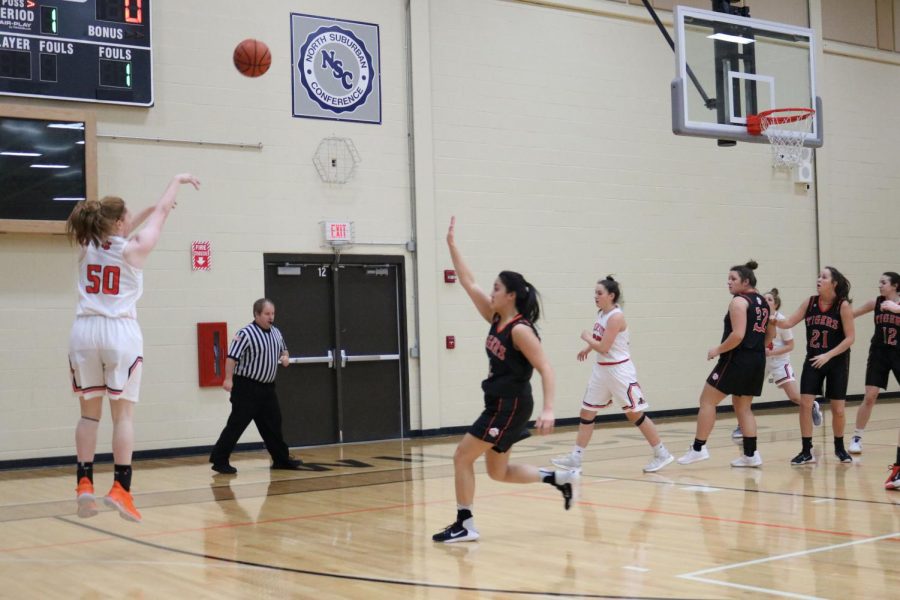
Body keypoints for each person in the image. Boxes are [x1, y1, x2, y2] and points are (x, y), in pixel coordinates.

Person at [432, 217, 576, 544]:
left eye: (497, 287)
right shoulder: (496, 318)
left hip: (509, 406)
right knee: (498, 472)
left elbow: (546, 368)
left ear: (510, 295)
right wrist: (452, 246)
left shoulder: (520, 330)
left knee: (461, 456)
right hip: (499, 404)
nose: (491, 291)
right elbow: (468, 282)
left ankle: (465, 523)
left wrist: (549, 409)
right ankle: (558, 478)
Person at [67, 173, 201, 522]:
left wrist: (151, 207)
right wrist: (176, 181)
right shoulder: (133, 249)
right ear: (120, 222)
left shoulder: (87, 245)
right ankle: (121, 488)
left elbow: (139, 217)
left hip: (84, 331)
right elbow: (160, 215)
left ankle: (84, 484)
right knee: (122, 415)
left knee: (87, 415)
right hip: (119, 331)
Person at [551, 276, 672, 473]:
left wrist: (587, 338)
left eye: (599, 293)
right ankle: (576, 458)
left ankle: (661, 453)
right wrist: (588, 348)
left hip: (619, 370)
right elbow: (601, 340)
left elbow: (605, 347)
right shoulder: (602, 313)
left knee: (635, 414)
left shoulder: (616, 316)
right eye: (595, 293)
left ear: (611, 295)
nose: (595, 297)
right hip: (602, 370)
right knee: (587, 412)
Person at [677, 261, 774, 468]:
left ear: (745, 281)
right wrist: (755, 348)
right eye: (728, 278)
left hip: (736, 359)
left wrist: (717, 349)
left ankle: (698, 448)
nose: (728, 282)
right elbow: (770, 334)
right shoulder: (764, 302)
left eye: (733, 279)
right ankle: (750, 454)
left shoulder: (739, 302)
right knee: (743, 407)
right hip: (757, 359)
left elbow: (737, 335)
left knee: (707, 400)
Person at [209, 299, 304, 474]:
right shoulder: (245, 333)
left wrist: (285, 357)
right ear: (257, 314)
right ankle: (219, 460)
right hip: (247, 387)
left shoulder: (276, 332)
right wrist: (228, 379)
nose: (271, 317)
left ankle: (281, 459)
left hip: (267, 388)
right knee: (237, 424)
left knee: (274, 424)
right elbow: (231, 358)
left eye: (273, 313)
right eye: (267, 314)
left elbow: (284, 350)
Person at [773, 267, 856, 464]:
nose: (819, 279)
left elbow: (851, 338)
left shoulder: (842, 306)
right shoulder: (810, 302)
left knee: (838, 410)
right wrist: (772, 318)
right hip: (813, 360)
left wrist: (828, 355)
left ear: (834, 283)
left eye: (824, 277)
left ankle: (839, 447)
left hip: (836, 361)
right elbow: (789, 323)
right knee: (805, 404)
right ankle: (806, 450)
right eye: (819, 276)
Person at [731, 288, 822, 440]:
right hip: (762, 361)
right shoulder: (758, 317)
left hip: (780, 362)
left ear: (776, 304)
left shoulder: (781, 320)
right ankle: (741, 426)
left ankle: (812, 405)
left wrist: (771, 353)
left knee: (794, 397)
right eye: (764, 299)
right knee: (745, 394)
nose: (766, 301)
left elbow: (790, 345)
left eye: (770, 299)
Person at [848, 272, 900, 454]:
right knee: (870, 396)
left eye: (883, 282)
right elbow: (851, 315)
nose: (879, 285)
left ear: (895, 285)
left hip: (898, 352)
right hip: (879, 352)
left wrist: (897, 309)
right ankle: (857, 436)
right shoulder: (875, 303)